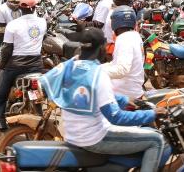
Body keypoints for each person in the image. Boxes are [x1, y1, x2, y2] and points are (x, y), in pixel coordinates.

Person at [40, 28, 166, 172]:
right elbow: (116, 117)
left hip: (72, 134)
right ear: (102, 48)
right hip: (93, 138)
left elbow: (89, 95)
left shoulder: (72, 66)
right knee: (156, 140)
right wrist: (152, 114)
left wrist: (124, 100)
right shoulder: (99, 75)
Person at [0, 0, 46, 144]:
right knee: (38, 98)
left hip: (15, 65)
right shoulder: (42, 22)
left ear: (20, 8)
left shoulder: (13, 25)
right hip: (36, 65)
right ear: (34, 8)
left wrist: (2, 66)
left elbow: (6, 50)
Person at [104, 3, 145, 99]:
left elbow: (122, 70)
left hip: (124, 92)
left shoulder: (124, 39)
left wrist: (96, 71)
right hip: (131, 87)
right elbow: (117, 63)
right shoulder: (134, 35)